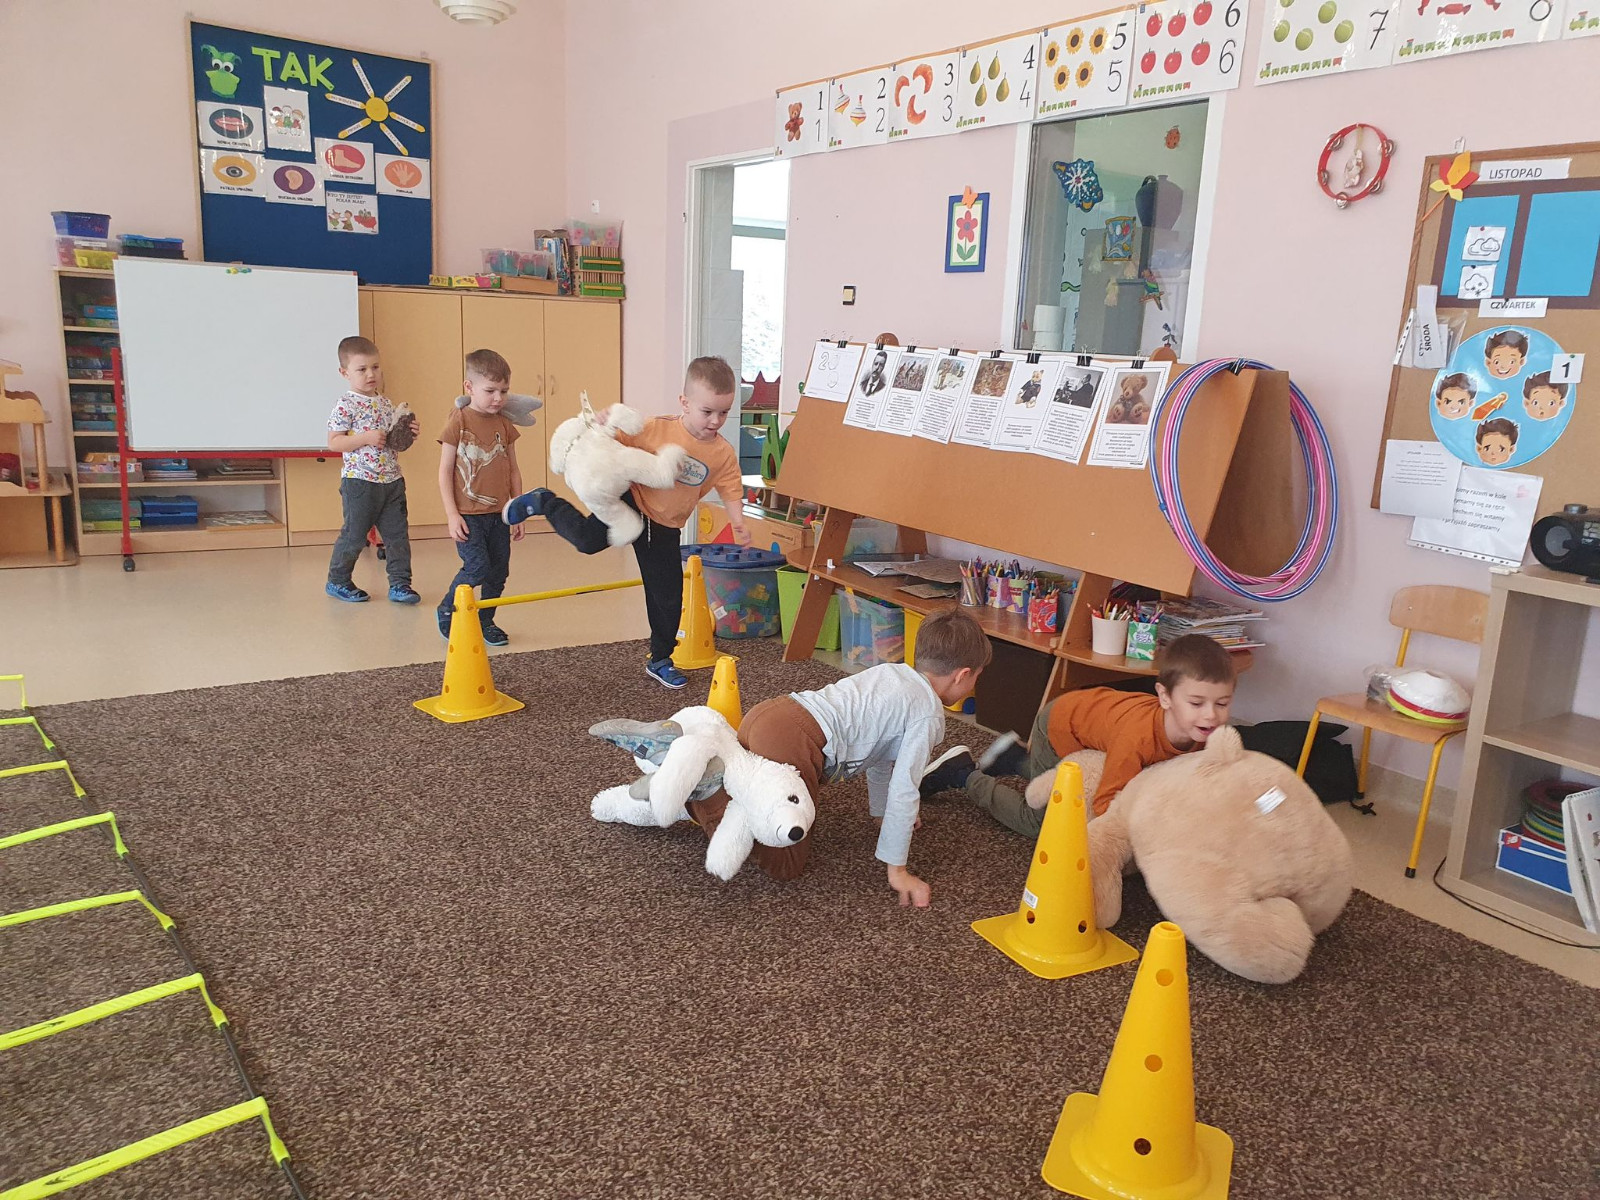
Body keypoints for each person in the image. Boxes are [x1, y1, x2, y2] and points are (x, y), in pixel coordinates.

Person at [687, 609, 992, 907]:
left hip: (770, 714)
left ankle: (696, 780)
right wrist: (898, 871)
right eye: (977, 677)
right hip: (794, 743)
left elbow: (882, 759)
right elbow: (904, 788)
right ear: (962, 675)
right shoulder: (926, 714)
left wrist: (881, 814)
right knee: (786, 861)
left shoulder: (894, 673)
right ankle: (709, 799)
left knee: (751, 791)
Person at [501, 356, 749, 688]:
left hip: (664, 527)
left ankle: (660, 659)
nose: (715, 421)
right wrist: (603, 421)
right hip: (630, 503)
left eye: (723, 412)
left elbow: (730, 486)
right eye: (707, 411)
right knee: (586, 542)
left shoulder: (722, 453)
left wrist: (737, 520)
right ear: (685, 403)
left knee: (667, 596)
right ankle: (544, 502)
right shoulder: (657, 427)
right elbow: (611, 442)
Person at [921, 633, 1236, 835]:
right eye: (1197, 703)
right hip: (1061, 725)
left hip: (1093, 722)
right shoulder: (1137, 739)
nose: (1211, 715)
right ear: (1165, 697)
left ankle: (1016, 759)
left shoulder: (1207, 733)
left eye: (1222, 703)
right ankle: (964, 775)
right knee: (1040, 823)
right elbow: (1105, 805)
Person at [437, 349, 525, 646]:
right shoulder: (459, 421)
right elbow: (444, 471)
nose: (498, 398)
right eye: (490, 391)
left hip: (499, 514)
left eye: (504, 391)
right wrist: (452, 514)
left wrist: (518, 509)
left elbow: (513, 469)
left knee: (498, 572)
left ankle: (486, 621)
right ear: (469, 387)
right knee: (477, 567)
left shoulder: (504, 424)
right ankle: (447, 609)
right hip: (468, 515)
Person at [324, 335, 420, 605]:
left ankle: (400, 584)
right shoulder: (346, 404)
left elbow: (393, 442)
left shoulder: (386, 403)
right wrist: (364, 438)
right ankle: (338, 580)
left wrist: (408, 433)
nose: (370, 374)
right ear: (345, 373)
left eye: (375, 367)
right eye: (362, 369)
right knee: (354, 535)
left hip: (392, 481)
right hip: (360, 482)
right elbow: (334, 442)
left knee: (397, 536)